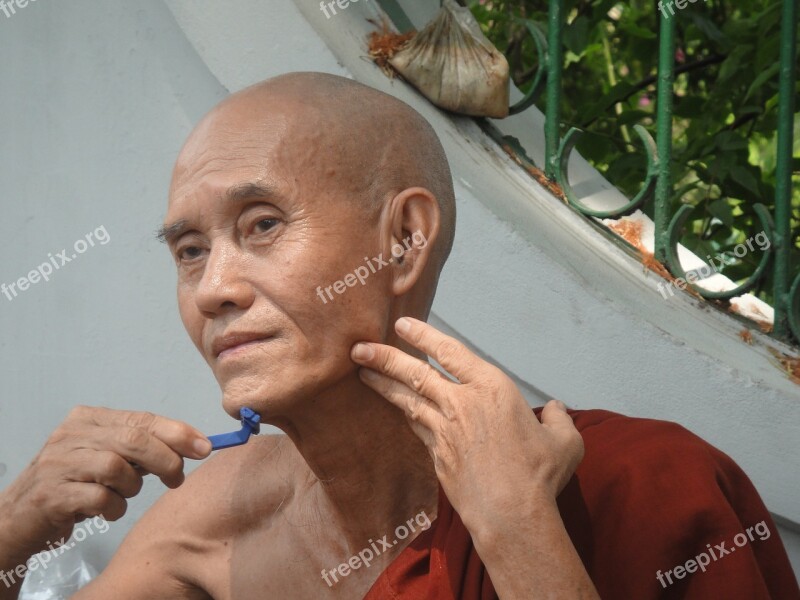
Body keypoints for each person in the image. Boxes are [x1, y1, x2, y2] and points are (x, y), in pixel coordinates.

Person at [0, 72, 796, 600]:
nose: (214, 291)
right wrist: (12, 535)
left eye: (263, 224)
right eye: (190, 252)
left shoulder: (637, 484)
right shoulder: (218, 519)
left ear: (405, 241)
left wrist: (519, 534)